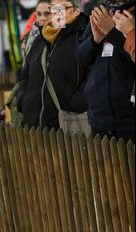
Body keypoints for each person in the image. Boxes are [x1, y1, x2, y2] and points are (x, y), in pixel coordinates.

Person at [17, 0, 90, 130]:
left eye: (61, 8)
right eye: (53, 8)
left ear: (77, 11)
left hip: (65, 124)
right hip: (32, 124)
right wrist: (23, 99)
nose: (55, 12)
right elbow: (24, 75)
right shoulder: (40, 39)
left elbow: (92, 74)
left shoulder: (84, 36)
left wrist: (76, 102)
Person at [77, 0, 135, 142]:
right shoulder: (101, 12)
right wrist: (95, 40)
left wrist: (112, 32)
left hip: (129, 117)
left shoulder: (131, 16)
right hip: (99, 115)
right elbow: (80, 58)